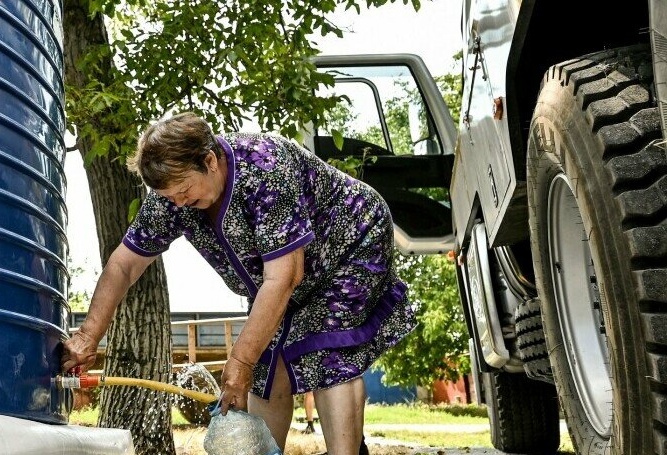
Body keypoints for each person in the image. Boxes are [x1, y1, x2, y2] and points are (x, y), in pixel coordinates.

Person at [61, 113, 418, 455]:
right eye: (171, 197)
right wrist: (88, 336)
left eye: (184, 191)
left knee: (326, 351)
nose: (179, 203)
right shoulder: (171, 195)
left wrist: (240, 360)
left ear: (211, 161)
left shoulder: (266, 168)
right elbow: (124, 264)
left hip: (350, 242)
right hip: (286, 277)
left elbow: (285, 277)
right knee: (265, 364)